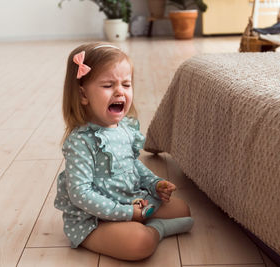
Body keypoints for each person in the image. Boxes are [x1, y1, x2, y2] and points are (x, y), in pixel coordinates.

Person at [54, 42, 193, 261]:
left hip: (128, 200)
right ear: (83, 95)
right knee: (140, 242)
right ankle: (158, 230)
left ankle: (143, 224)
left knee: (182, 209)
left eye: (126, 84)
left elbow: (133, 165)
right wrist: (128, 214)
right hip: (94, 219)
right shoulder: (80, 142)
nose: (120, 91)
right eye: (108, 85)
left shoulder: (125, 128)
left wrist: (154, 184)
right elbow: (80, 193)